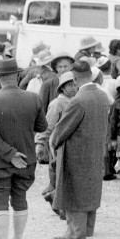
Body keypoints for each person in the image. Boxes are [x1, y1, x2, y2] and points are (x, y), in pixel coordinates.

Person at [0, 58, 47, 239]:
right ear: (18, 75)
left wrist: (9, 154)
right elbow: (42, 127)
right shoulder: (34, 98)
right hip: (27, 158)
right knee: (20, 198)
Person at [51, 60, 110, 239]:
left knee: (74, 189)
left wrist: (53, 143)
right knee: (90, 189)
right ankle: (87, 229)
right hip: (95, 149)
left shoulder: (78, 100)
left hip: (77, 151)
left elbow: (61, 130)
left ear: (75, 78)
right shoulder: (102, 96)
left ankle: (75, 233)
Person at [35, 72, 77, 208]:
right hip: (59, 143)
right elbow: (49, 125)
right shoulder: (57, 104)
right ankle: (57, 201)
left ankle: (60, 199)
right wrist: (41, 142)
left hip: (74, 143)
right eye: (69, 85)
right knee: (60, 172)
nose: (73, 88)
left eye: (75, 85)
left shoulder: (77, 101)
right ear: (62, 87)